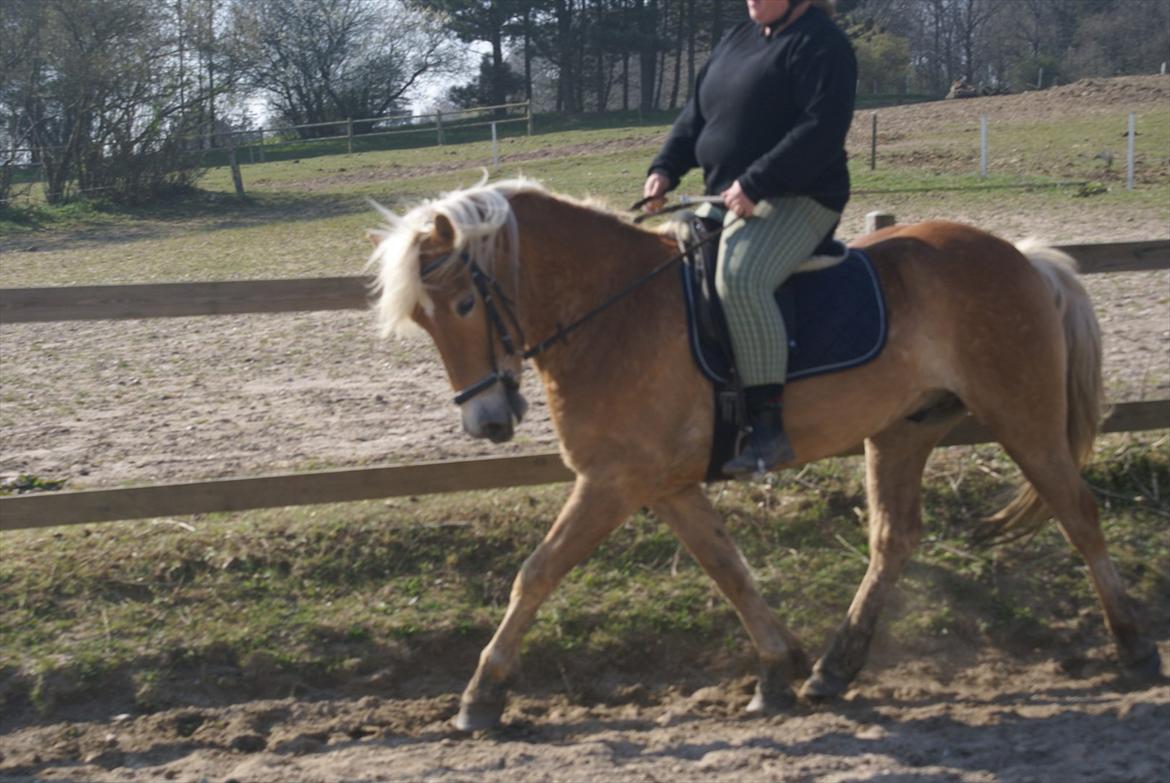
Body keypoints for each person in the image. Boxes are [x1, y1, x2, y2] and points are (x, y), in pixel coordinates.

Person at [644, 0, 856, 477]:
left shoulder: (823, 45)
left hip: (800, 197)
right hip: (727, 197)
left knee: (739, 277)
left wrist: (756, 182)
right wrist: (664, 168)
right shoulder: (736, 39)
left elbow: (821, 130)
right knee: (659, 262)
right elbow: (695, 116)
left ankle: (768, 427)